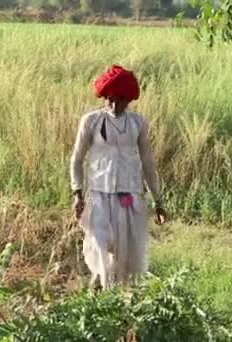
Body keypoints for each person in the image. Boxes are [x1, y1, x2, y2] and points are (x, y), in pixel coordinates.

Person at [70, 65, 167, 289]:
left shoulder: (137, 124)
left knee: (125, 254)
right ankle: (103, 290)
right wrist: (77, 193)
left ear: (129, 100)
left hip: (129, 196)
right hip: (99, 194)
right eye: (110, 100)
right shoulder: (92, 121)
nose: (114, 105)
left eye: (120, 100)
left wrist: (158, 200)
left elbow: (148, 162)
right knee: (101, 243)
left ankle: (116, 298)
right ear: (105, 97)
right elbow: (76, 159)